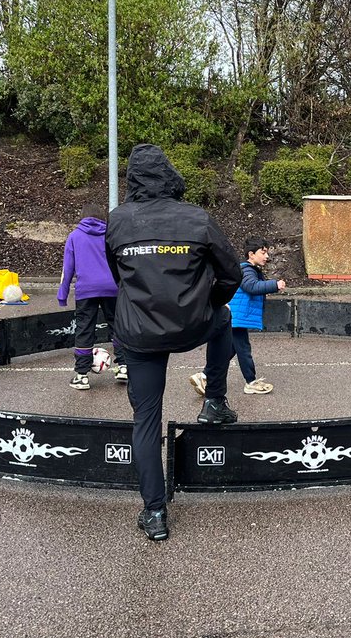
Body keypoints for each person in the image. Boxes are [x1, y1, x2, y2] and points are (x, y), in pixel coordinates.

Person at [105, 144, 242, 542]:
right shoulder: (197, 219)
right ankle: (214, 400)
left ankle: (154, 513)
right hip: (192, 324)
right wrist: (205, 304)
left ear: (132, 179)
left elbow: (116, 273)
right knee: (227, 319)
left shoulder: (118, 221)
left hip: (140, 334)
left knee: (145, 420)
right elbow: (231, 275)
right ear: (169, 175)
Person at [190, 237, 286, 397]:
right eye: (263, 252)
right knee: (243, 349)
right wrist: (274, 285)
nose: (266, 256)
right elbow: (251, 286)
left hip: (235, 317)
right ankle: (251, 382)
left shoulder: (248, 269)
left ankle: (204, 375)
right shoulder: (246, 270)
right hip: (236, 318)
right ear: (251, 254)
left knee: (230, 349)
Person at [58, 203, 129, 390]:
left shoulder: (74, 236)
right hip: (112, 288)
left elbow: (68, 269)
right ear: (103, 218)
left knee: (84, 329)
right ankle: (124, 367)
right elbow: (122, 262)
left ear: (82, 217)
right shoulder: (111, 236)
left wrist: (62, 295)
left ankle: (82, 376)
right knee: (117, 325)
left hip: (86, 290)